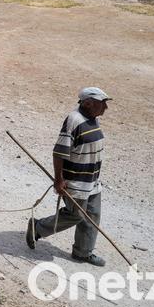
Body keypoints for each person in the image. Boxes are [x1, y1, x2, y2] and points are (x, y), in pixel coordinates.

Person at [25, 87, 110, 266]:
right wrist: (59, 179)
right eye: (102, 103)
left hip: (92, 180)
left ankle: (82, 252)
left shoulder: (93, 119)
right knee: (76, 215)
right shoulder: (74, 120)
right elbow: (59, 152)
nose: (105, 107)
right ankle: (38, 227)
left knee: (92, 216)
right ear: (88, 103)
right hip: (76, 181)